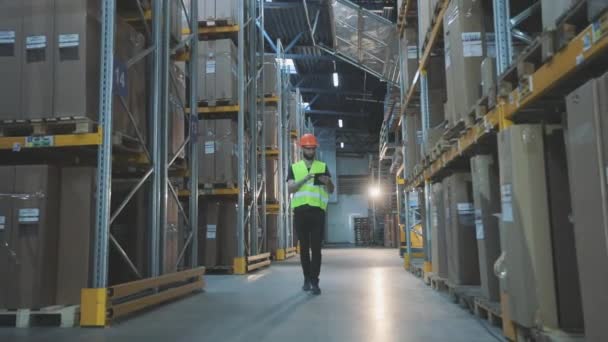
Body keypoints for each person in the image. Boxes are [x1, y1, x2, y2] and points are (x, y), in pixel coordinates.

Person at [287, 133, 334, 295]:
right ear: (302, 149)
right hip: (300, 212)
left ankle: (315, 281)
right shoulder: (294, 168)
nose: (310, 150)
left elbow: (331, 190)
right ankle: (306, 278)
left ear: (315, 149)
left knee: (316, 249)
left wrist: (329, 182)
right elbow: (290, 188)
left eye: (312, 148)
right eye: (307, 148)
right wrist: (305, 179)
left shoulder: (322, 166)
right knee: (304, 248)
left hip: (317, 213)